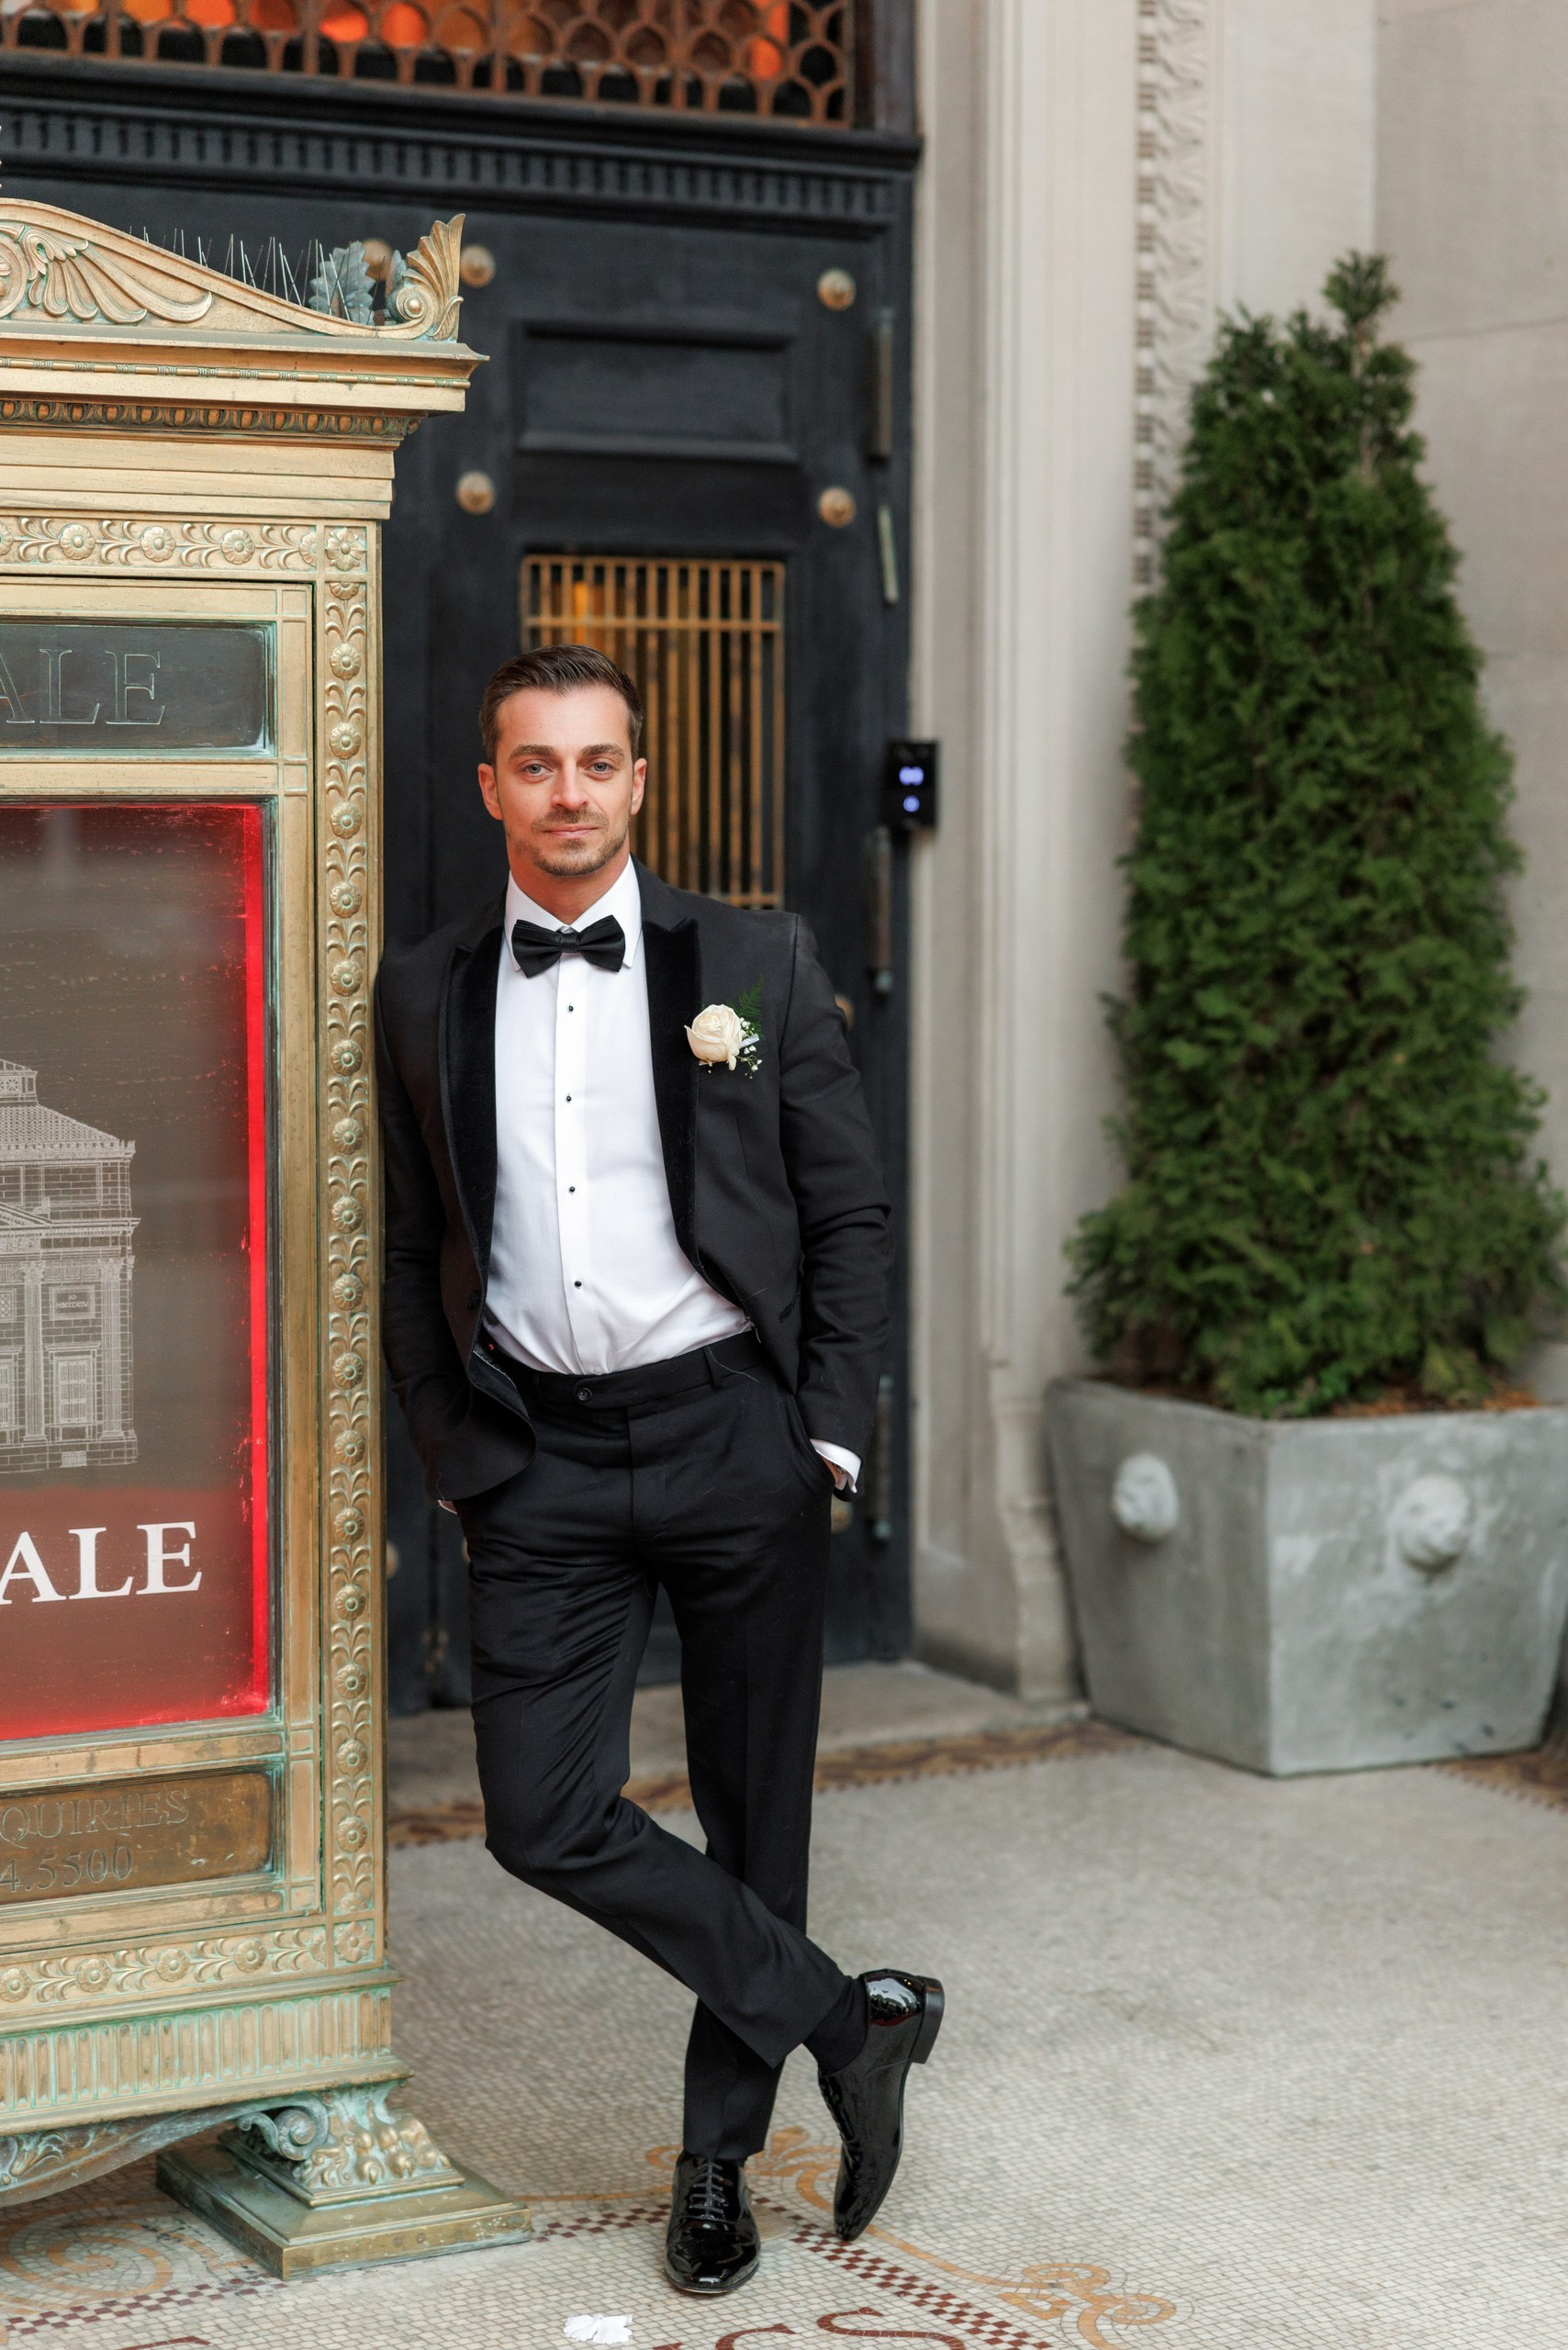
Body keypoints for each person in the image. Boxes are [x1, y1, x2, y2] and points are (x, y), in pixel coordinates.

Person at [375, 643, 943, 2296]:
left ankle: (715, 2166)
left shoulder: (753, 960)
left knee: (757, 1815)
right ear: (492, 786)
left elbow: (847, 1210)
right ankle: (849, 2020)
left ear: (639, 777)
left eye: (597, 761)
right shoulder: (423, 989)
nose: (570, 793)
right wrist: (452, 1445)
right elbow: (410, 1243)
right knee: (540, 1817)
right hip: (534, 1457)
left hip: (731, 1435)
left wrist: (824, 1432)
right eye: (536, 763)